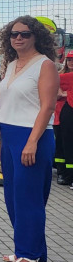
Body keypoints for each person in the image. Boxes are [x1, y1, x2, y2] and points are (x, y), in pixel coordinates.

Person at [0, 16, 59, 262]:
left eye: (25, 34)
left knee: (28, 198)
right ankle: (32, 249)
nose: (18, 38)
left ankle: (28, 255)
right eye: (14, 34)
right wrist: (0, 139)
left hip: (32, 136)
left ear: (36, 37)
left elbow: (47, 107)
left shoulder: (45, 65)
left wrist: (32, 142)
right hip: (9, 134)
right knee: (12, 197)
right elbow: (7, 105)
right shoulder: (11, 65)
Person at [56, 52, 73, 187]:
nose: (71, 62)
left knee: (67, 145)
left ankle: (67, 174)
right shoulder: (61, 75)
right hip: (59, 115)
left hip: (67, 114)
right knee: (60, 145)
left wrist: (64, 93)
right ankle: (62, 172)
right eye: (69, 59)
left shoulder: (61, 77)